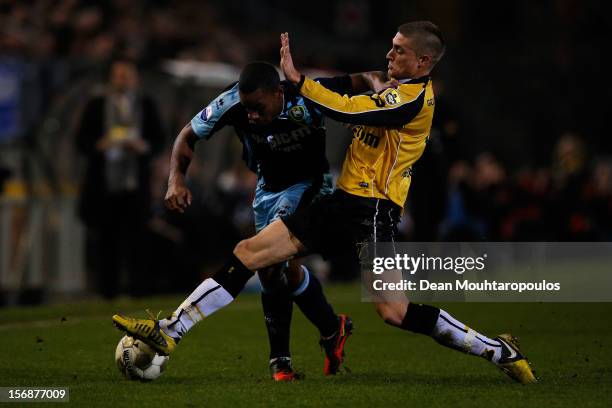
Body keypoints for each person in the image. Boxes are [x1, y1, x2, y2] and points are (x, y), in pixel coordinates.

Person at [113, 22, 536, 383]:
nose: (390, 53)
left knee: (393, 312)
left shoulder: (414, 101)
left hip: (374, 212)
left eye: (400, 50)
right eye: (391, 45)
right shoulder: (396, 89)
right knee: (249, 253)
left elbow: (350, 110)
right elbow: (365, 86)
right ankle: (172, 329)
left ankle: (498, 351)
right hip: (341, 203)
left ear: (423, 62)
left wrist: (299, 82)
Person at [141, 61, 381, 380]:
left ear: (278, 92)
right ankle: (331, 327)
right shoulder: (231, 103)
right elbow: (187, 135)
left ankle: (279, 361)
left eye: (258, 107)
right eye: (247, 108)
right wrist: (175, 181)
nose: (251, 115)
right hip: (267, 189)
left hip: (309, 186)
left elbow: (364, 76)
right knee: (284, 274)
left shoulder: (306, 94)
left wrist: (381, 89)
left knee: (269, 262)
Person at [76, 58, 164, 299]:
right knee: (107, 240)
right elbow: (81, 141)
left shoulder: (146, 104)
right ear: (111, 78)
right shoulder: (96, 105)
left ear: (136, 78)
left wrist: (143, 147)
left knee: (138, 239)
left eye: (127, 74)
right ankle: (108, 292)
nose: (123, 79)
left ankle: (139, 291)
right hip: (104, 185)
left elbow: (158, 139)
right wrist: (99, 145)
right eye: (119, 75)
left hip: (136, 184)